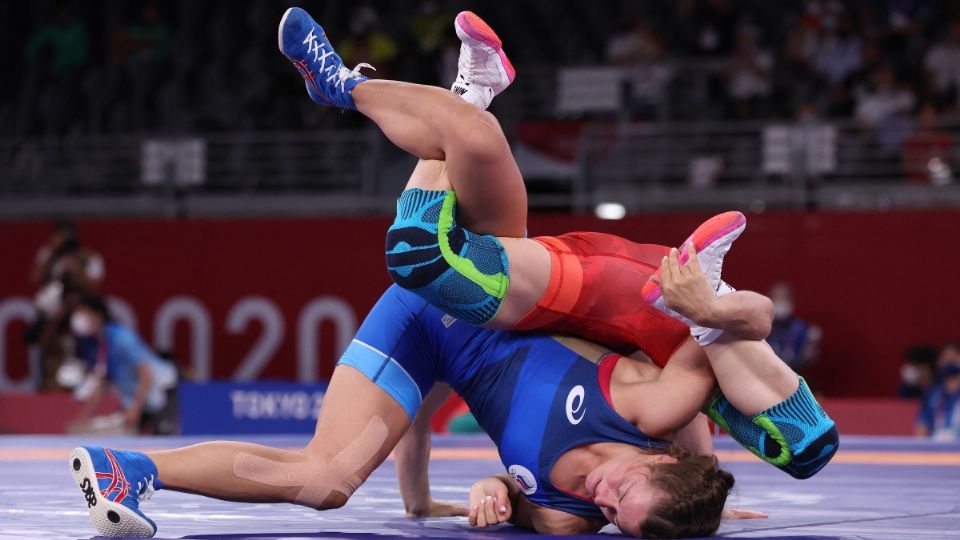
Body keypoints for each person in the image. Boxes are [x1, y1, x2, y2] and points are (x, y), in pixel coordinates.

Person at [69, 11, 782, 539]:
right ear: (661, 468)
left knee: (327, 483)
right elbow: (721, 345)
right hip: (506, 285)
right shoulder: (658, 413)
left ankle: (131, 468)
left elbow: (513, 479)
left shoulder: (569, 519)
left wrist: (481, 489)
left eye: (612, 518)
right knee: (475, 140)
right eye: (622, 492)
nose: (601, 498)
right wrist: (710, 501)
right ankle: (450, 93)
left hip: (424, 331)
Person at [273, 6, 836, 480]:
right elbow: (759, 316)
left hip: (591, 295)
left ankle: (455, 91)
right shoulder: (689, 380)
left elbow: (420, 412)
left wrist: (704, 481)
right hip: (611, 283)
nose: (610, 491)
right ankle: (363, 87)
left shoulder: (676, 399)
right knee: (811, 446)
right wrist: (709, 307)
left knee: (807, 452)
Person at [69, 294, 178, 435]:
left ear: (97, 315)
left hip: (161, 389)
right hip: (139, 397)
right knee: (125, 441)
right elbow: (101, 384)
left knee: (163, 439)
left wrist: (135, 408)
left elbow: (146, 374)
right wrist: (84, 418)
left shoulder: (122, 338)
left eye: (83, 312)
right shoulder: (99, 344)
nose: (79, 317)